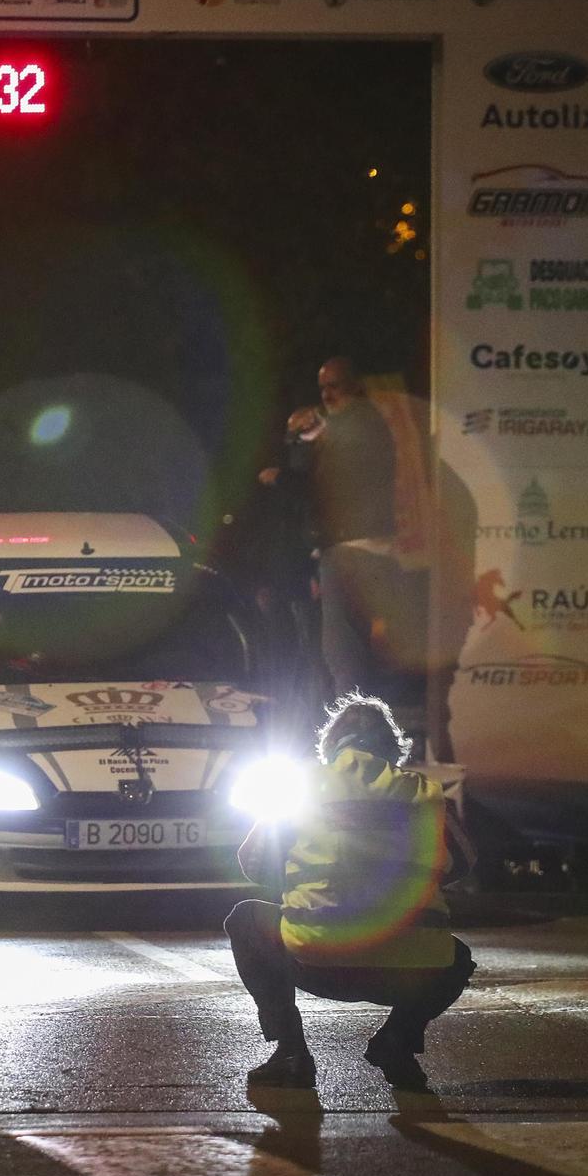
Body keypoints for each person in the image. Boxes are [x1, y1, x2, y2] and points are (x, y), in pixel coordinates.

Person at [223, 692, 475, 1093]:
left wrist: (309, 880)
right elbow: (463, 862)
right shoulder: (426, 794)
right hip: (410, 974)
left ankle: (291, 1053)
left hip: (318, 959)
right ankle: (397, 1041)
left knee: (244, 919)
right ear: (394, 750)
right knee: (457, 957)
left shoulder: (300, 787)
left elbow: (253, 863)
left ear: (329, 747)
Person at [259, 358, 397, 699]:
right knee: (347, 650)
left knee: (341, 651)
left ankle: (352, 729)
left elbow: (321, 477)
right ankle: (359, 723)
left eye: (334, 385)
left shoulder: (360, 423)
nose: (327, 395)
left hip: (353, 547)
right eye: (322, 388)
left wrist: (288, 470)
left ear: (353, 385)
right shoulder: (351, 424)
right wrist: (299, 441)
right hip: (350, 547)